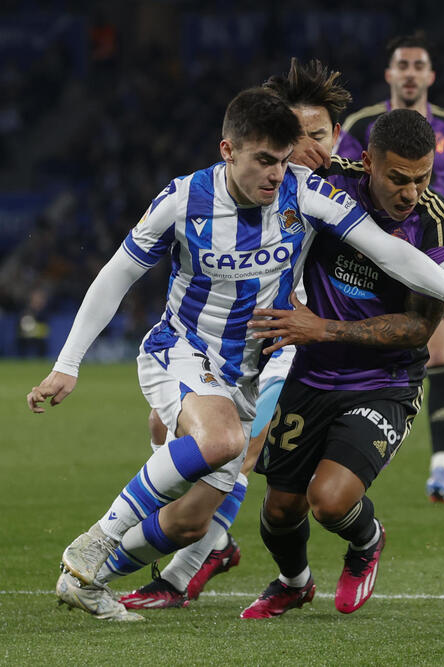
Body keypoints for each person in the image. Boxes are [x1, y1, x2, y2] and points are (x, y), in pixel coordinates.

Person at [28, 86, 444, 622]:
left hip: (247, 374)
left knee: (192, 522)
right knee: (225, 443)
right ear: (228, 151)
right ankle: (95, 543)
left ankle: (90, 580)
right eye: (265, 160)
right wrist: (68, 363)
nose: (276, 173)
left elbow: (391, 251)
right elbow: (116, 275)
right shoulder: (182, 200)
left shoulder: (304, 192)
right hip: (183, 350)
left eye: (283, 160)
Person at [240, 108, 444, 618]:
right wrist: (290, 151)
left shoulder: (440, 225)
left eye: (420, 179)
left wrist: (322, 328)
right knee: (279, 510)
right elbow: (250, 164)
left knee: (329, 500)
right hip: (313, 372)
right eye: (397, 178)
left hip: (385, 381)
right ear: (368, 162)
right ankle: (294, 582)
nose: (410, 192)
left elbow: (420, 326)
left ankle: (366, 541)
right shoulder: (331, 182)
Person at [118, 59, 342, 609]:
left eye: (318, 134)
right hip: (242, 337)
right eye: (297, 135)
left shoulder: (349, 189)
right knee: (168, 424)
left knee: (239, 453)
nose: (307, 146)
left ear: (338, 134)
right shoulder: (271, 181)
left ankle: (183, 568)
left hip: (298, 342)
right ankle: (204, 539)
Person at [337, 32, 444, 503]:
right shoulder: (365, 123)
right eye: (401, 65)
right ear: (390, 74)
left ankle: (441, 464)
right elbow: (337, 171)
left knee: (436, 348)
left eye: (417, 65)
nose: (409, 73)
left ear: (430, 75)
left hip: (433, 246)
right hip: (370, 247)